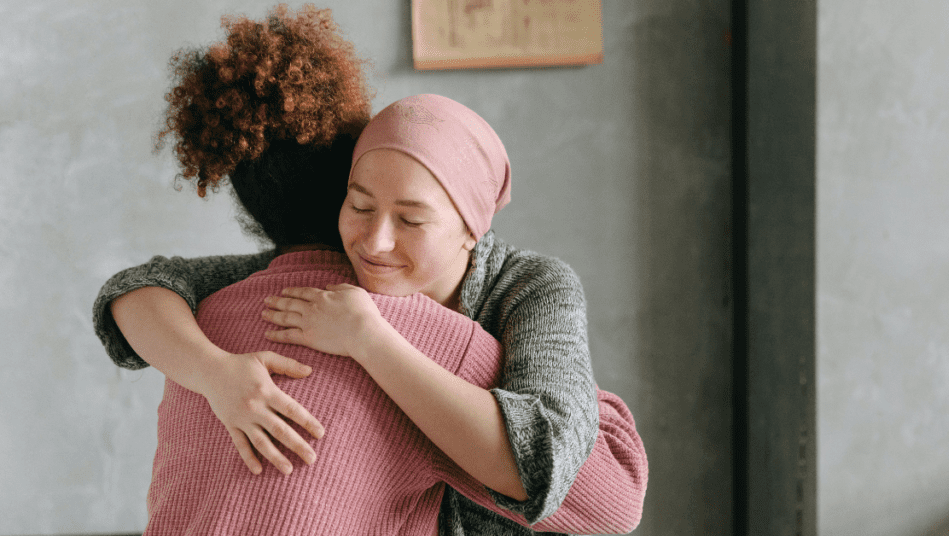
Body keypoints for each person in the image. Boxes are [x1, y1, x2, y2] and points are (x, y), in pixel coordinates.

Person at [94, 5, 646, 535]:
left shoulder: (531, 287)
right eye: (359, 206)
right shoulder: (327, 278)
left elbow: (572, 470)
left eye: (411, 220)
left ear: (473, 228)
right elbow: (140, 288)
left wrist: (372, 340)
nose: (375, 242)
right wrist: (218, 373)